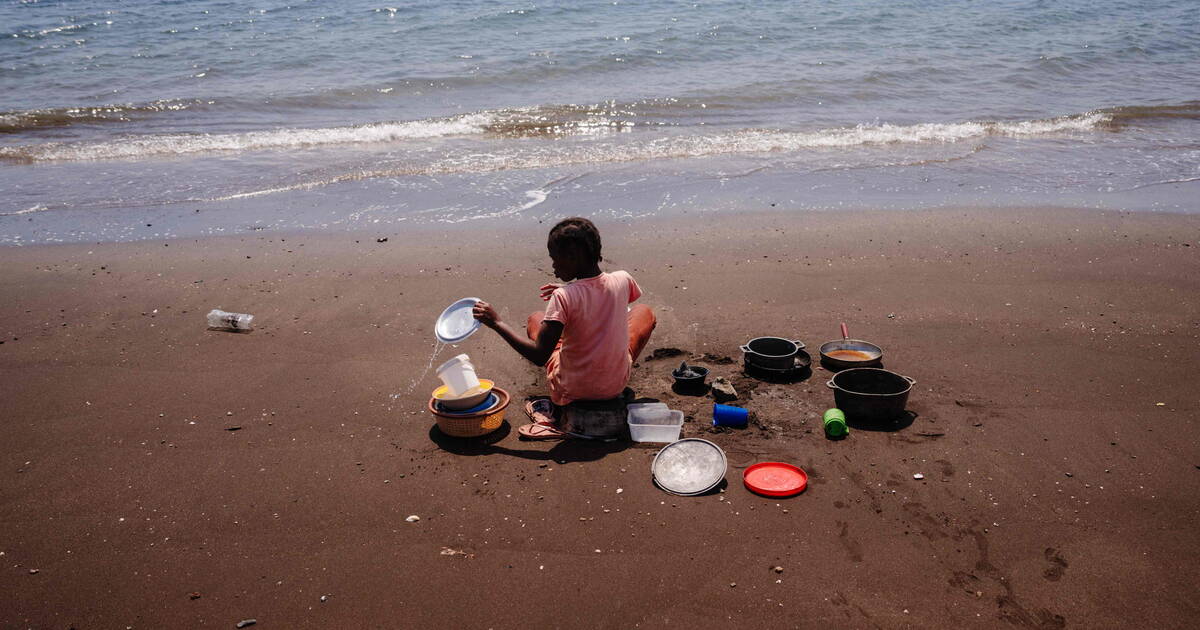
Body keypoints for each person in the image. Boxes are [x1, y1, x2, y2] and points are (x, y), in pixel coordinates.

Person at [472, 217, 655, 439]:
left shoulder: (563, 297)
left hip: (573, 389)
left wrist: (496, 322)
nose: (554, 267)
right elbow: (603, 294)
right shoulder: (623, 279)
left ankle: (554, 411)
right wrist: (575, 289)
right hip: (615, 384)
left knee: (536, 319)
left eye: (555, 260)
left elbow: (539, 355)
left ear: (572, 257)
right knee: (644, 312)